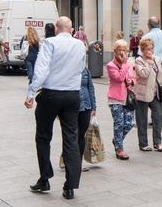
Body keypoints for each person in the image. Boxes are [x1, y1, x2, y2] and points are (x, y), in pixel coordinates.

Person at [25, 16, 96, 199]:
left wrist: (31, 93)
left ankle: (45, 177)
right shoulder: (80, 45)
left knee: (43, 136)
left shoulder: (49, 43)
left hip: (51, 93)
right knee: (71, 138)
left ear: (56, 29)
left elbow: (41, 69)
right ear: (71, 30)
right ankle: (70, 185)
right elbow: (81, 69)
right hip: (72, 95)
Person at [131, 37, 162, 153]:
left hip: (155, 93)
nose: (150, 51)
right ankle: (143, 143)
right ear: (142, 50)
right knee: (142, 119)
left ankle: (158, 142)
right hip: (142, 93)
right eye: (147, 49)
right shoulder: (139, 61)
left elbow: (160, 76)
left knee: (158, 116)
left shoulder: (157, 59)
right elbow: (144, 74)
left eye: (151, 48)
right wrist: (149, 61)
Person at [105, 41, 136, 160]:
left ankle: (117, 139)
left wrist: (132, 81)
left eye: (124, 50)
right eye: (119, 50)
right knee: (119, 123)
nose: (122, 53)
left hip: (128, 97)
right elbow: (119, 77)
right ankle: (119, 149)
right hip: (116, 97)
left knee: (129, 123)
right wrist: (123, 65)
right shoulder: (111, 65)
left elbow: (133, 78)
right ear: (115, 51)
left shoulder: (129, 64)